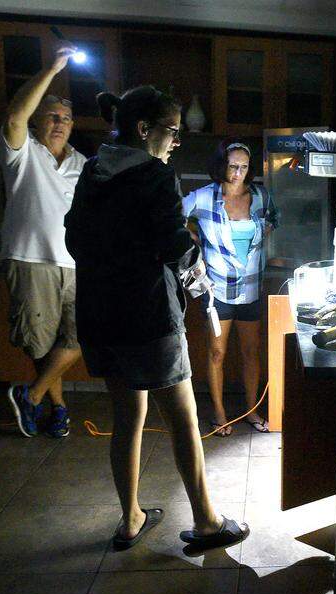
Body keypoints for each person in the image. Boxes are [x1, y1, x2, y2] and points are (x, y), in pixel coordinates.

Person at [64, 86, 249, 551]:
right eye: (172, 131)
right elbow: (174, 245)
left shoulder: (93, 172)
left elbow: (73, 239)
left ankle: (130, 520)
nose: (176, 141)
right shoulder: (154, 175)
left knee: (128, 416)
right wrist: (199, 279)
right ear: (144, 130)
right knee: (184, 417)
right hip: (147, 317)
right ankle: (208, 522)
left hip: (100, 317)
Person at [0, 42, 87, 439]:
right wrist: (52, 69)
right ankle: (59, 410)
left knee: (78, 338)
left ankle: (31, 396)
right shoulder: (21, 153)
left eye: (66, 118)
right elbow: (15, 113)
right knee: (39, 345)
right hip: (32, 260)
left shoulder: (81, 163)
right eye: (51, 115)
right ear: (37, 120)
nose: (59, 122)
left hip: (76, 265)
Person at [182, 141, 278, 436]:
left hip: (251, 289)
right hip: (217, 290)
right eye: (232, 166)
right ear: (222, 165)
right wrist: (195, 240)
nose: (238, 173)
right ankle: (219, 413)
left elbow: (273, 220)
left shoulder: (261, 196)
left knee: (251, 352)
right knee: (216, 353)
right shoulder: (204, 197)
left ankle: (251, 411)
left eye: (244, 167)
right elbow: (173, 218)